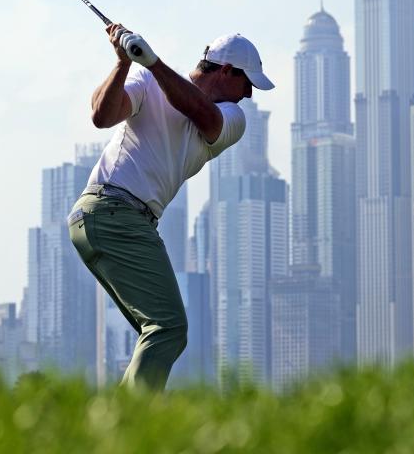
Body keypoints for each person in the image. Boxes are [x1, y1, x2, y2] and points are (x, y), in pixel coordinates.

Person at [67, 23, 274, 391]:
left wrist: (152, 62)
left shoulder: (232, 119)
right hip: (112, 213)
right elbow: (102, 116)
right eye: (247, 84)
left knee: (158, 330)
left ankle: (114, 423)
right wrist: (122, 64)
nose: (248, 95)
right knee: (169, 328)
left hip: (109, 221)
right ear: (226, 71)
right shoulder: (147, 83)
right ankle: (128, 428)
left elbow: (201, 112)